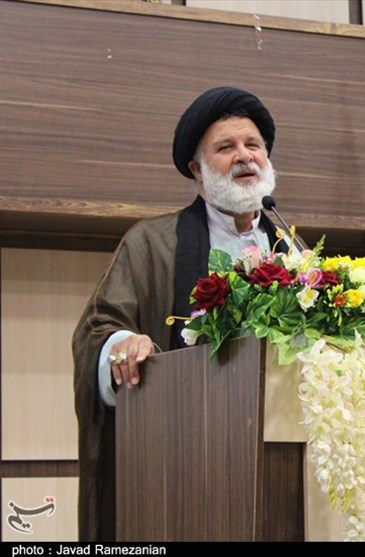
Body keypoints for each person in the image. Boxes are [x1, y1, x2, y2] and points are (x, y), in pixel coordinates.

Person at [72, 86, 291, 541]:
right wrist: (123, 345)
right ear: (196, 169)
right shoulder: (153, 242)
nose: (244, 156)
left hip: (279, 453)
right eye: (226, 147)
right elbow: (98, 327)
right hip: (183, 459)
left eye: (253, 145)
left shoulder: (295, 253)